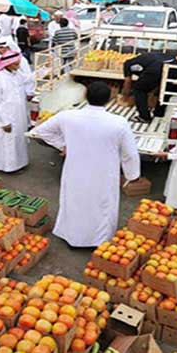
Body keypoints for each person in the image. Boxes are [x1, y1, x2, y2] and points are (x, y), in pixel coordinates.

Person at [32, 82, 142, 247]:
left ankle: (72, 237)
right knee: (101, 205)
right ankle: (99, 240)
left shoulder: (68, 116)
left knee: (75, 201)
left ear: (85, 96)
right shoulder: (118, 122)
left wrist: (62, 145)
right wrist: (132, 175)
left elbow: (41, 130)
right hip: (104, 173)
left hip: (76, 169)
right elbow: (130, 154)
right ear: (109, 99)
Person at [0, 51, 31, 173]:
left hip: (18, 114)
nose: (18, 66)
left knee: (18, 139)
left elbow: (28, 78)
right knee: (8, 142)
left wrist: (44, 70)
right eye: (15, 64)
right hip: (6, 116)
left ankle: (20, 163)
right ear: (8, 64)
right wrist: (4, 122)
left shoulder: (16, 74)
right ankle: (9, 168)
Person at [123, 52, 177, 123]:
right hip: (176, 66)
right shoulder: (144, 59)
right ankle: (159, 112)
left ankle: (144, 117)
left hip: (157, 67)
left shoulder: (127, 65)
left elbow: (128, 82)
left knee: (139, 90)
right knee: (165, 86)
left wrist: (126, 95)